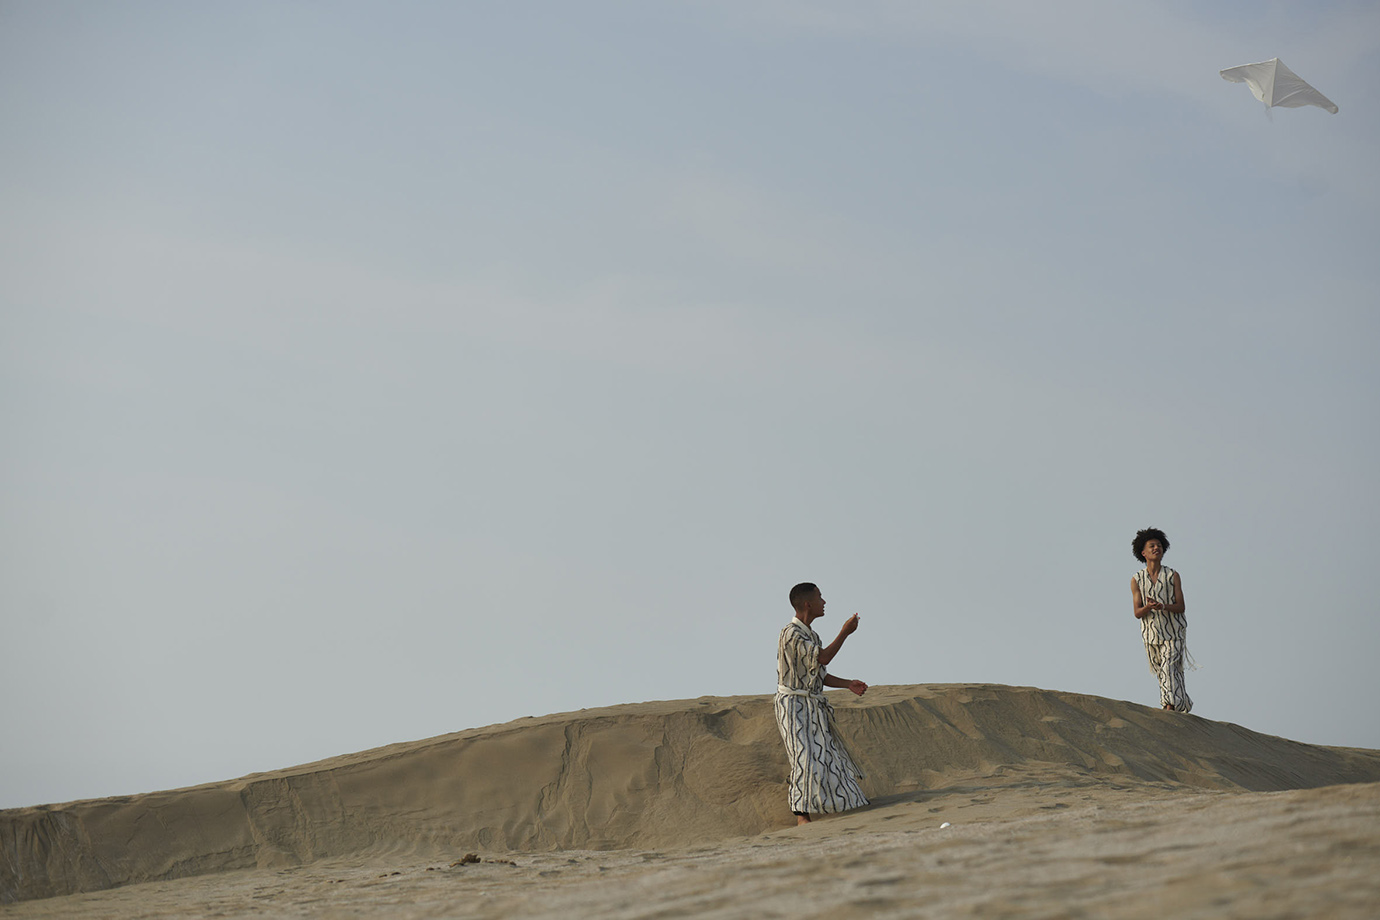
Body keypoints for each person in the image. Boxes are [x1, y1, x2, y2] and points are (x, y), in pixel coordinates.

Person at [774, 582, 869, 825]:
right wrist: (845, 632)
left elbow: (820, 674)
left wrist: (848, 684)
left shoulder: (812, 635)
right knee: (803, 757)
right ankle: (801, 816)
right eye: (820, 598)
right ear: (808, 604)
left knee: (826, 756)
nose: (824, 602)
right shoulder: (790, 634)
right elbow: (824, 657)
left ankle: (837, 806)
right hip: (793, 705)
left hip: (812, 705)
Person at [1130, 528, 1193, 713]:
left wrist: (1163, 606)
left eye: (1159, 545)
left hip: (1174, 632)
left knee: (1169, 667)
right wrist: (1149, 607)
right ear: (1143, 552)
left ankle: (1169, 706)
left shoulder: (1172, 576)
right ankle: (1182, 704)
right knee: (1163, 671)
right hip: (1151, 635)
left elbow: (1181, 606)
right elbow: (1137, 612)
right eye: (1152, 546)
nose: (1156, 548)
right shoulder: (1137, 579)